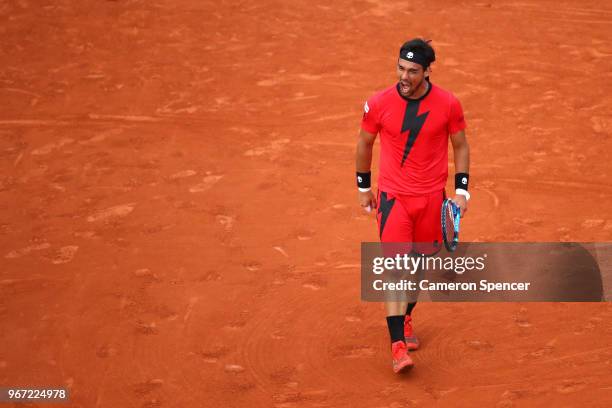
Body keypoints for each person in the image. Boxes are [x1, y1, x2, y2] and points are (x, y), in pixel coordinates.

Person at [355, 38, 471, 373]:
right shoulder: (378, 103)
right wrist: (363, 187)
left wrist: (463, 192)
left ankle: (405, 317)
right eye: (401, 68)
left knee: (418, 265)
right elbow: (364, 143)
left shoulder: (448, 104)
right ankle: (397, 346)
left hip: (432, 199)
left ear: (427, 71)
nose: (404, 76)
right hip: (393, 199)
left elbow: (461, 146)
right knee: (394, 269)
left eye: (412, 71)